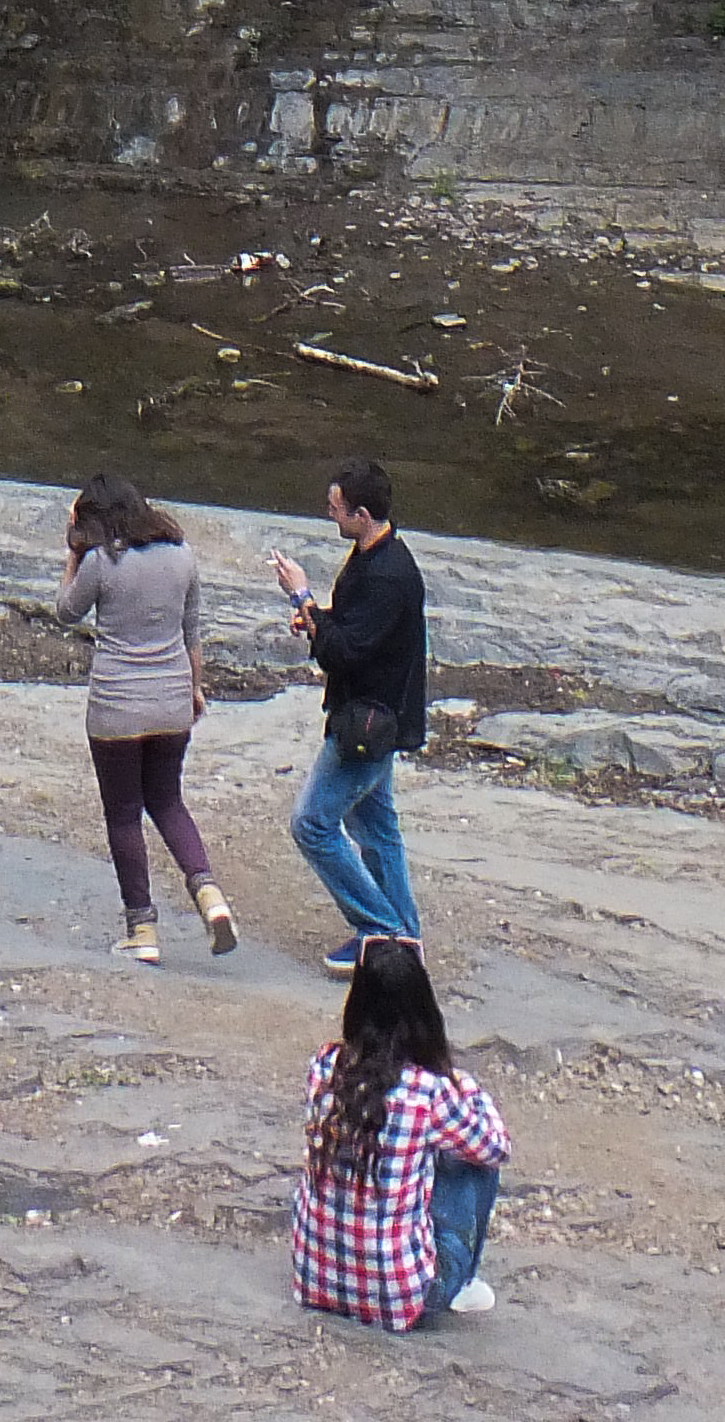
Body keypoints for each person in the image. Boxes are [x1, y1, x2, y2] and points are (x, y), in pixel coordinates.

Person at [58, 473, 238, 959]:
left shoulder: (100, 562)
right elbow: (192, 633)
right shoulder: (182, 556)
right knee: (168, 802)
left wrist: (72, 555)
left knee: (123, 816)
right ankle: (209, 894)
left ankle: (142, 930)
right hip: (171, 702)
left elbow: (66, 612)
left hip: (116, 707)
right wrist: (194, 689)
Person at [290, 933, 506, 1331]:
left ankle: (331, 1256)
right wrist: (465, 1084)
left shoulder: (324, 1065)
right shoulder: (429, 1090)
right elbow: (495, 1148)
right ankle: (461, 1283)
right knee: (470, 1163)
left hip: (314, 1283)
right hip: (397, 1302)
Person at [272, 452, 426, 970]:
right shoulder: (376, 557)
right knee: (378, 831)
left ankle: (380, 931)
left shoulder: (388, 574)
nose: (330, 514)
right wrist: (318, 619)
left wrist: (303, 600)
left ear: (362, 514)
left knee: (312, 824)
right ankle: (406, 941)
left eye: (337, 508)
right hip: (379, 715)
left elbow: (344, 650)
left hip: (368, 723)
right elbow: (357, 629)